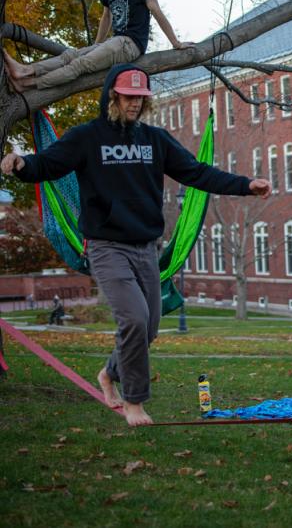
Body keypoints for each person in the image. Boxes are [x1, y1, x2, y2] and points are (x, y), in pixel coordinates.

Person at [1, 64, 272, 426]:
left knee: (150, 327)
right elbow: (48, 165)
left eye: (140, 98)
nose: (134, 104)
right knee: (134, 318)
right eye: (129, 97)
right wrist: (21, 164)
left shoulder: (155, 140)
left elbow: (197, 172)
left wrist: (244, 184)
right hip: (106, 246)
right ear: (113, 95)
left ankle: (109, 373)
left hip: (146, 247)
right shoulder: (87, 137)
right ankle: (134, 402)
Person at [4, 0, 194, 92]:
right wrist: (96, 45)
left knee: (79, 65)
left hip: (130, 44)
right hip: (113, 43)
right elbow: (106, 17)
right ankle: (26, 70)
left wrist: (175, 42)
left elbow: (156, 11)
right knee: (70, 55)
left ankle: (28, 84)